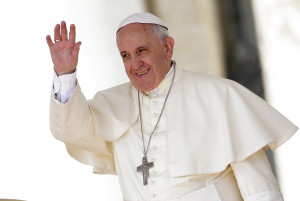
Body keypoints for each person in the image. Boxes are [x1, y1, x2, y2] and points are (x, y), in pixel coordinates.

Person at [47, 13, 298, 201]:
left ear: (167, 48)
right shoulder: (113, 103)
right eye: (125, 55)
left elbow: (260, 190)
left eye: (141, 50)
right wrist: (65, 73)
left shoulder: (219, 95)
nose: (135, 64)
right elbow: (70, 131)